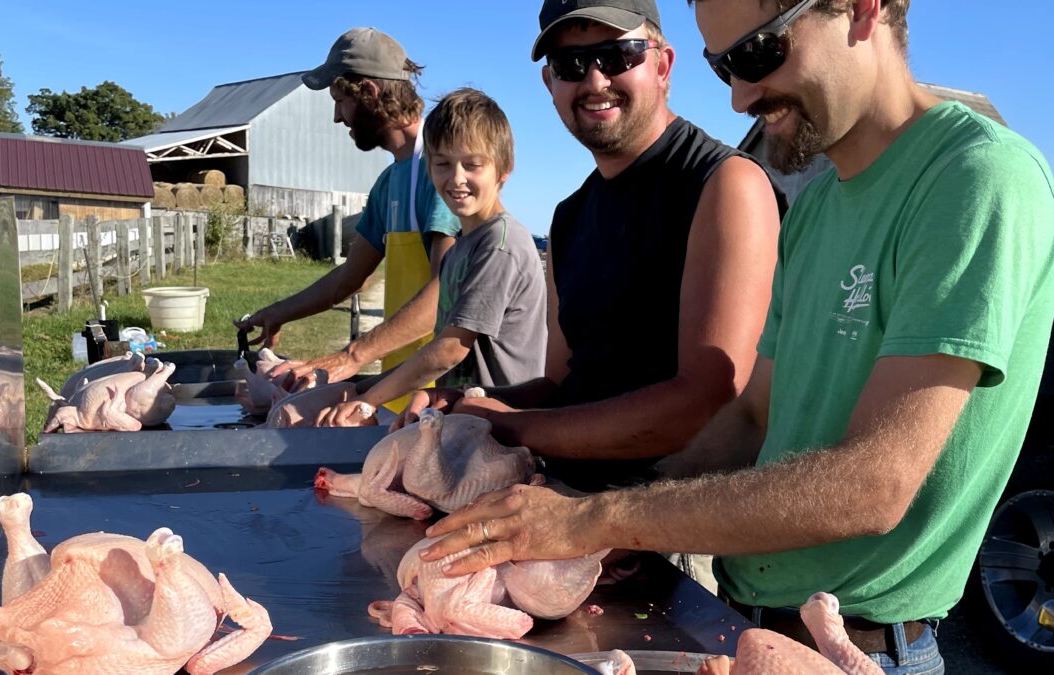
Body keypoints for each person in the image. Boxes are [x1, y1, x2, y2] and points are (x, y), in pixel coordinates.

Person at [418, 0, 1054, 673]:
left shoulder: (975, 177)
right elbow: (751, 416)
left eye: (759, 55)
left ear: (865, 10)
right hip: (739, 624)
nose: (742, 95)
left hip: (855, 648)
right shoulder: (816, 207)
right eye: (723, 68)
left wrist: (593, 519)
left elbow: (875, 483)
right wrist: (607, 523)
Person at [396, 0, 784, 492]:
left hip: (662, 521)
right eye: (570, 64)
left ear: (662, 64)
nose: (596, 80)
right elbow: (559, 386)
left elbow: (708, 401)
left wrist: (505, 423)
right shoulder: (569, 217)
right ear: (550, 83)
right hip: (558, 499)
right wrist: (463, 404)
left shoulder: (725, 184)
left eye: (618, 55)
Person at [236, 28, 460, 403]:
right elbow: (349, 279)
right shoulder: (389, 182)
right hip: (401, 387)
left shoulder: (442, 171)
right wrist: (279, 313)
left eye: (340, 101)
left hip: (442, 393)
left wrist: (350, 358)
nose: (338, 118)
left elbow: (445, 293)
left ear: (369, 93)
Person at [321, 88, 546, 425]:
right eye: (442, 164)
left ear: (503, 170)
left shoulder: (500, 244)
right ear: (428, 168)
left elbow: (450, 350)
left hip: (507, 429)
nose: (456, 178)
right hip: (467, 424)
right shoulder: (461, 248)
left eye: (472, 165)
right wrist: (354, 390)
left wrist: (367, 402)